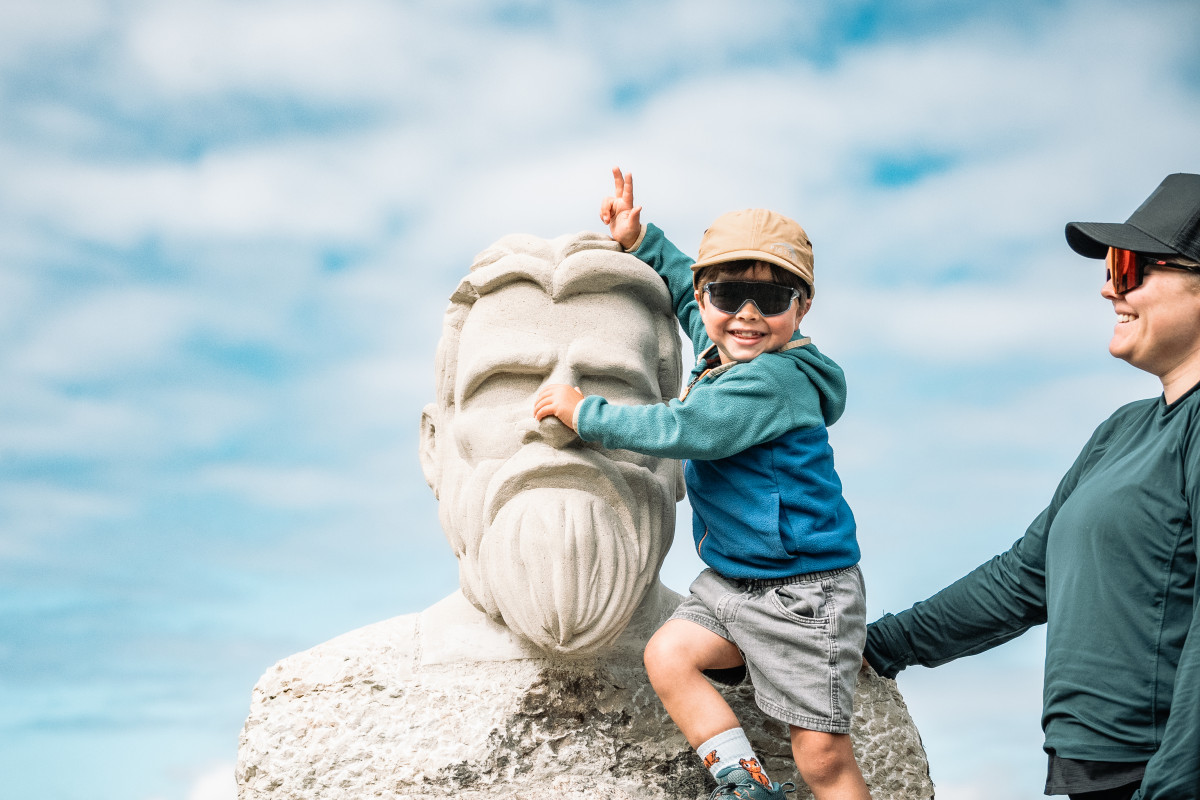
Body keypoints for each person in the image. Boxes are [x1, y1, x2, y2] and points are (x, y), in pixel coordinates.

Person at [535, 168, 871, 800]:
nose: (746, 315)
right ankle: (743, 785)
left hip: (802, 593)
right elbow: (693, 304)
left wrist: (586, 414)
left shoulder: (773, 380)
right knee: (668, 656)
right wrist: (643, 242)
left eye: (770, 302)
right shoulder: (724, 345)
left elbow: (687, 428)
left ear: (802, 307)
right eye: (728, 296)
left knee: (821, 754)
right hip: (732, 583)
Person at [862, 173, 1200, 800]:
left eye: (1130, 269)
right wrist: (874, 645)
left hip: (1158, 775)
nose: (1107, 288)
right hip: (1092, 773)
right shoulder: (1122, 430)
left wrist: (1175, 784)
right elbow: (1024, 577)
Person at [419, 229, 686, 655]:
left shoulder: (779, 678)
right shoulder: (333, 693)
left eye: (610, 386)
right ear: (434, 448)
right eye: (507, 383)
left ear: (680, 454)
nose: (561, 421)